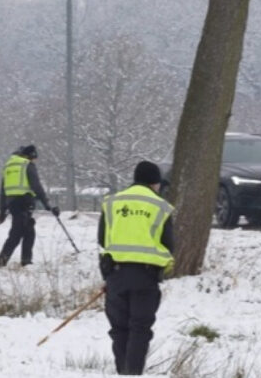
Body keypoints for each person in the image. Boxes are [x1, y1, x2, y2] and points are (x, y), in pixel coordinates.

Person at [97, 160, 174, 375]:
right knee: (140, 329)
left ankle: (123, 371)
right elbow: (169, 245)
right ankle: (133, 372)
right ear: (155, 183)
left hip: (116, 274)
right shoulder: (161, 206)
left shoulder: (112, 202)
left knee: (119, 329)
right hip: (146, 276)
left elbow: (102, 239)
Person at [0, 145, 60, 267]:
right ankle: (0, 262)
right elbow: (36, 186)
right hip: (25, 202)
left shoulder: (8, 166)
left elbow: (3, 190)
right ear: (30, 156)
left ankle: (26, 261)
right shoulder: (27, 165)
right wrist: (48, 204)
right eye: (34, 158)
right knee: (16, 234)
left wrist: (2, 211)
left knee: (29, 231)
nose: (35, 161)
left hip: (12, 203)